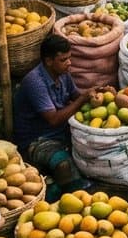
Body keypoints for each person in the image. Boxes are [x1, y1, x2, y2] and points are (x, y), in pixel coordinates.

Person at [16, 32, 96, 191]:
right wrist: (82, 100)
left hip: (61, 132)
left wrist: (95, 95)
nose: (69, 63)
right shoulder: (35, 82)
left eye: (69, 58)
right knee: (63, 164)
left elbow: (75, 96)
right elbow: (53, 119)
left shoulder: (63, 73)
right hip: (37, 140)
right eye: (63, 59)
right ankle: (73, 195)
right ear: (48, 61)